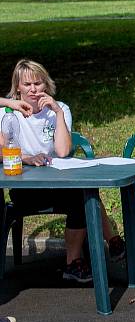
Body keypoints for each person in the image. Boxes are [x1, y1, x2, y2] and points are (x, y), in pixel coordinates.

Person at [2, 59, 125, 283]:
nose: (33, 89)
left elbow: (63, 150)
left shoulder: (60, 109)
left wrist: (57, 112)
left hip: (57, 183)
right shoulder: (8, 114)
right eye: (27, 84)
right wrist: (27, 158)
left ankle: (73, 262)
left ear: (46, 85)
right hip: (25, 188)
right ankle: (112, 240)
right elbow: (2, 152)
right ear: (17, 87)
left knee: (85, 195)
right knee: (84, 197)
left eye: (38, 84)